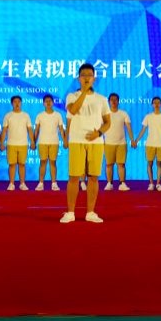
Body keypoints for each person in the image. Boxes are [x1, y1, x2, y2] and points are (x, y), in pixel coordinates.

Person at [60, 63, 110, 224]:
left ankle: (90, 212)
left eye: (90, 75)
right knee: (74, 177)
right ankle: (70, 213)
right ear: (78, 78)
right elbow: (73, 110)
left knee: (93, 177)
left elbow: (107, 122)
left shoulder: (102, 99)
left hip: (96, 142)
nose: (87, 78)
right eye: (84, 75)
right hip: (77, 140)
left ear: (94, 78)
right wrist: (84, 92)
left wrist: (98, 133)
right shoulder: (71, 96)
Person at [132, 96, 161, 191]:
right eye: (154, 102)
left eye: (158, 102)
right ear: (152, 104)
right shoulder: (148, 116)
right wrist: (136, 141)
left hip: (160, 143)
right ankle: (151, 183)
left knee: (159, 164)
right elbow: (143, 130)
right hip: (150, 143)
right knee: (150, 163)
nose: (156, 104)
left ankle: (158, 184)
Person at [0, 95, 34, 191]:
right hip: (11, 144)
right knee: (12, 164)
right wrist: (2, 143)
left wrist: (32, 141)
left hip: (23, 143)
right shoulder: (8, 116)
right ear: (12, 104)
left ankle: (22, 183)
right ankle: (11, 184)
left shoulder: (26, 115)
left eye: (19, 101)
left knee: (22, 164)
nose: (17, 103)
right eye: (15, 102)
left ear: (21, 103)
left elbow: (30, 130)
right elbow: (4, 130)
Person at [33, 94, 65, 191]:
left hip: (54, 142)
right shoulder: (40, 115)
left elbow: (61, 129)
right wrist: (33, 142)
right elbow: (36, 130)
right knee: (42, 162)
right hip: (42, 142)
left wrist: (65, 141)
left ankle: (54, 183)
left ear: (53, 103)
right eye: (46, 101)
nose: (48, 103)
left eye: (50, 101)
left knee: (53, 162)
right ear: (43, 103)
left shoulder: (58, 115)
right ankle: (41, 183)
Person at [103, 92, 134, 191]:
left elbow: (129, 128)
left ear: (118, 101)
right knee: (109, 164)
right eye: (111, 100)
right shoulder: (104, 115)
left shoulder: (123, 113)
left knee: (121, 164)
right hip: (108, 143)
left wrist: (132, 140)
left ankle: (122, 183)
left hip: (121, 143)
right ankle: (109, 183)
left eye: (115, 100)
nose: (113, 101)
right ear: (108, 102)